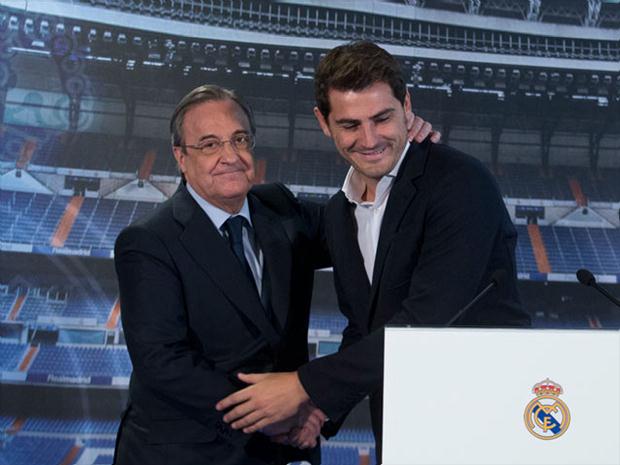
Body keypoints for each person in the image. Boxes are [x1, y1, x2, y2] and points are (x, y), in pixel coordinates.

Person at [216, 41, 532, 461]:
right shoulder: (339, 212)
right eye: (350, 124)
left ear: (407, 105)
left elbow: (425, 322)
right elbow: (364, 327)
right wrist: (320, 411)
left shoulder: (459, 183)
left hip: (487, 420)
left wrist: (303, 386)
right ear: (323, 122)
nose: (369, 139)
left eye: (382, 118)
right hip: (403, 426)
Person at [113, 83, 436, 464]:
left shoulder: (279, 207)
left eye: (239, 140)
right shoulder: (148, 241)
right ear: (181, 157)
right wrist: (272, 414)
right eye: (210, 145)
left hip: (287, 447)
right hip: (192, 451)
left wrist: (401, 153)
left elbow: (360, 225)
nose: (230, 156)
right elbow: (164, 362)